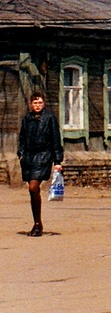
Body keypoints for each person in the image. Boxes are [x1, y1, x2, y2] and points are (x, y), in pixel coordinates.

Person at [17, 90, 64, 237]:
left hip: (43, 156)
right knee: (33, 191)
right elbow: (22, 138)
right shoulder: (27, 119)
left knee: (33, 187)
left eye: (40, 102)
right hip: (29, 158)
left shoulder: (49, 118)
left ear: (44, 103)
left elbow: (56, 139)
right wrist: (21, 153)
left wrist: (58, 161)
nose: (37, 105)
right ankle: (37, 222)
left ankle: (37, 224)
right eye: (35, 103)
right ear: (31, 104)